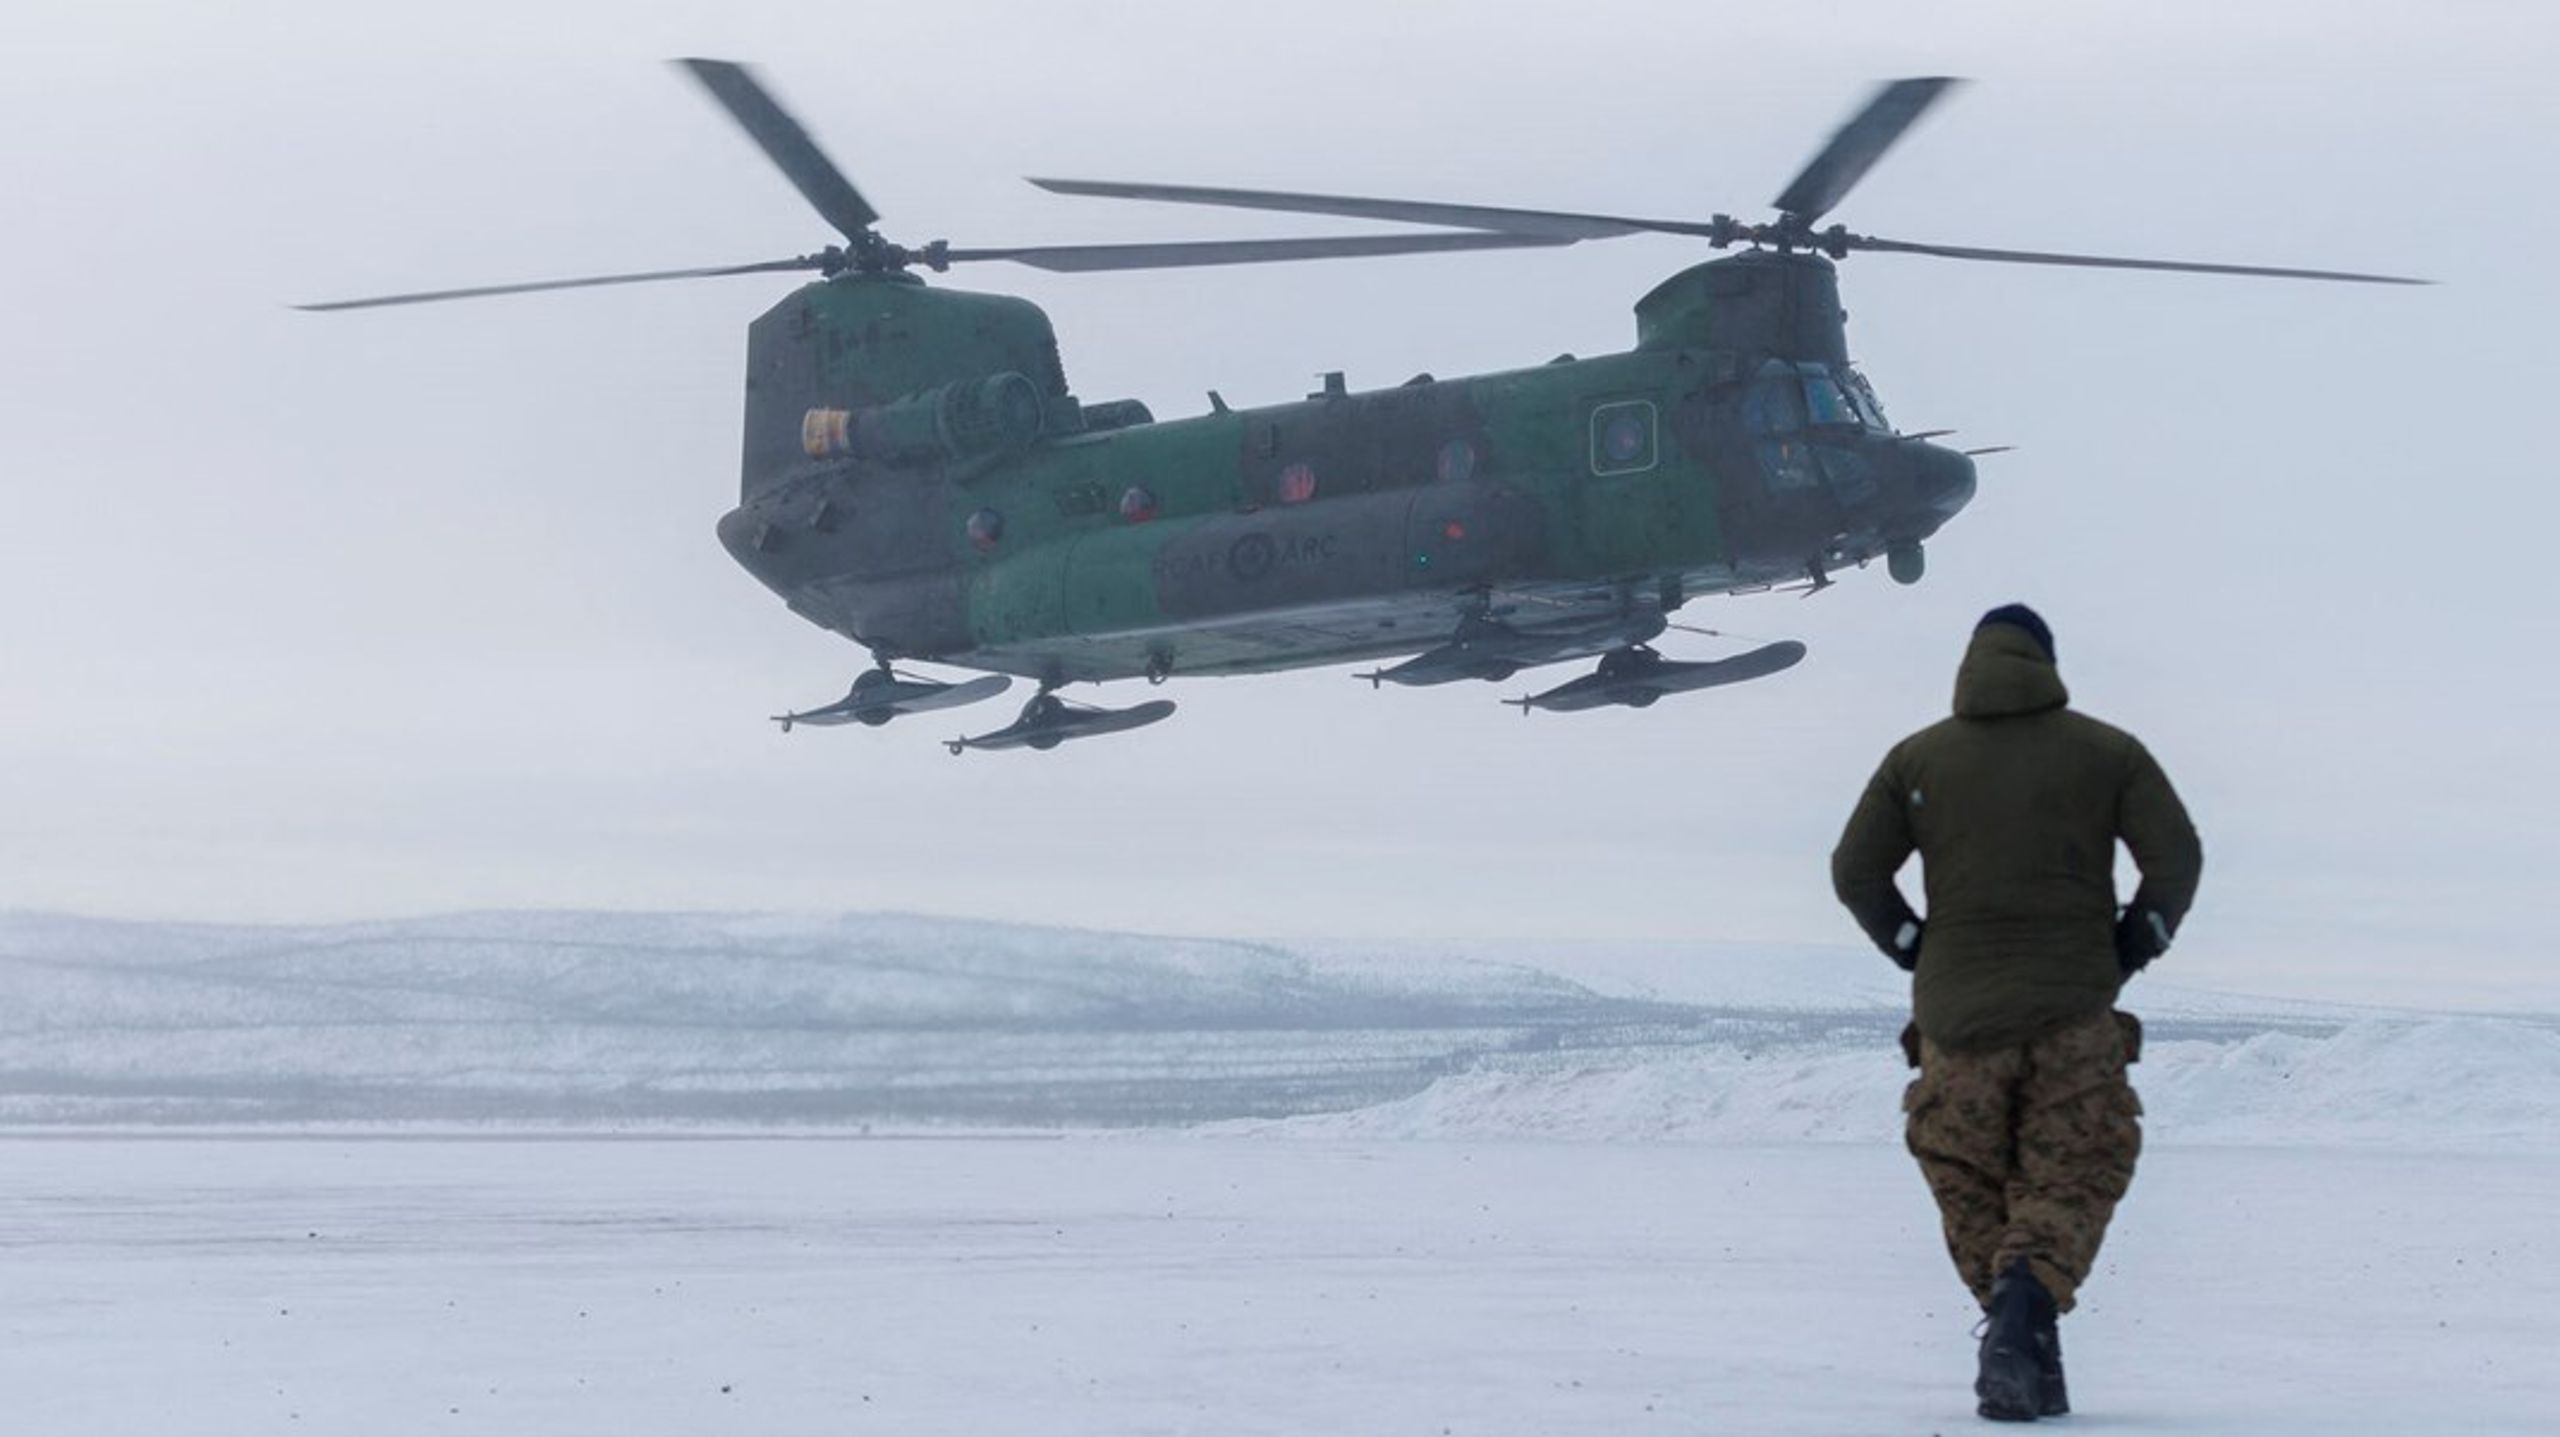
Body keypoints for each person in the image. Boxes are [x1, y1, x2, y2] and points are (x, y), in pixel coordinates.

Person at [1830, 604, 2202, 1422]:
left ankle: (2026, 1348)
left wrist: (1913, 946)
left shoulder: (1916, 758)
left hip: (1955, 1023)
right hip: (2072, 1009)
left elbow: (1855, 870)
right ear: (2047, 662)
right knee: (2074, 1170)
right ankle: (2026, 1315)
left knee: (1971, 1182)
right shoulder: (2109, 752)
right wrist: (2133, 943)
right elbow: (2177, 857)